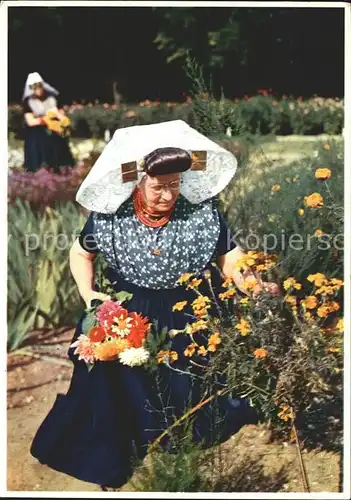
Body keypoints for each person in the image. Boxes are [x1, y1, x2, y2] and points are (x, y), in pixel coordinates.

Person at [30, 120, 279, 490]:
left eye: (175, 185)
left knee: (185, 388)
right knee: (119, 384)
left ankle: (173, 438)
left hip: (188, 310)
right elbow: (80, 254)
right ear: (138, 182)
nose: (168, 195)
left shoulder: (202, 213)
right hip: (132, 310)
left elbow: (230, 259)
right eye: (158, 187)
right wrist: (90, 297)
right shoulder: (111, 219)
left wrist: (253, 286)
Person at [22, 72, 75, 172]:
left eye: (40, 87)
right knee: (39, 150)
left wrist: (62, 119)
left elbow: (60, 112)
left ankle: (61, 169)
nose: (38, 90)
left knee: (58, 150)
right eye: (35, 88)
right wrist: (44, 120)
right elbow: (30, 121)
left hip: (55, 130)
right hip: (37, 132)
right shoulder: (29, 102)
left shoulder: (52, 98)